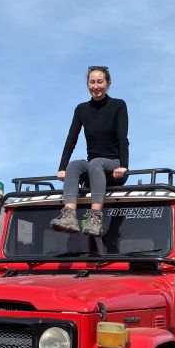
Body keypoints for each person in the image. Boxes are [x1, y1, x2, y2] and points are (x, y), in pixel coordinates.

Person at [50, 66, 129, 236]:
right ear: (87, 85)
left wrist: (124, 166)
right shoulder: (81, 109)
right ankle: (69, 216)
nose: (96, 86)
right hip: (94, 168)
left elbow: (123, 137)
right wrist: (62, 167)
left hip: (114, 165)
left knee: (96, 163)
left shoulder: (119, 106)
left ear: (108, 83)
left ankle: (95, 219)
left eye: (100, 81)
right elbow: (71, 140)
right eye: (92, 82)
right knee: (75, 165)